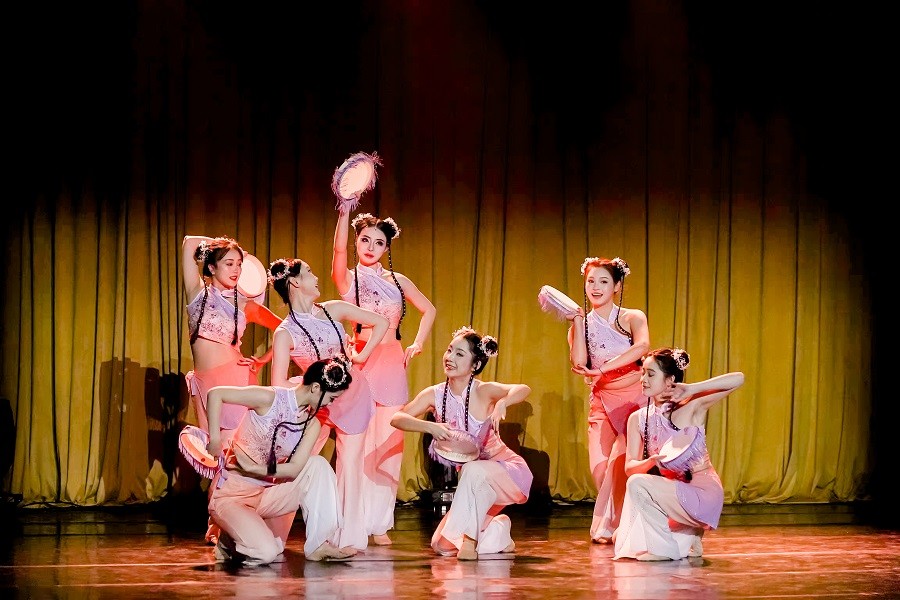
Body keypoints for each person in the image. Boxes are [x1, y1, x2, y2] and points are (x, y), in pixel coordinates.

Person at [267, 257, 390, 549]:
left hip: (353, 394)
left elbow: (382, 322)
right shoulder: (285, 332)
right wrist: (307, 386)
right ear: (295, 282)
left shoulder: (332, 309)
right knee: (298, 463)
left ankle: (347, 539)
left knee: (350, 467)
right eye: (309, 272)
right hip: (318, 403)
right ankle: (272, 534)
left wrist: (360, 356)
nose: (316, 277)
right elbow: (277, 383)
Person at [331, 210, 437, 547]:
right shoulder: (348, 279)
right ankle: (350, 519)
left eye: (379, 242)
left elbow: (429, 309)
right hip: (359, 360)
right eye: (365, 240)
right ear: (356, 242)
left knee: (387, 443)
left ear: (387, 247)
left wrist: (418, 343)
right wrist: (344, 210)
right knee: (354, 444)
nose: (370, 247)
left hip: (391, 360)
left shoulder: (397, 280)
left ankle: (378, 522)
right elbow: (337, 251)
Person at [391, 327, 533, 560]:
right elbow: (397, 418)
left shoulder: (483, 391)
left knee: (472, 469)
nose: (450, 357)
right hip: (476, 486)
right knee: (442, 546)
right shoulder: (434, 394)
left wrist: (502, 403)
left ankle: (470, 542)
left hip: (508, 474)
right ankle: (500, 531)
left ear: (475, 365)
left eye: (459, 354)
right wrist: (430, 427)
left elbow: (523, 389)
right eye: (449, 350)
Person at [205, 358, 358, 566]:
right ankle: (229, 539)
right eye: (331, 398)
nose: (331, 404)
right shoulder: (270, 398)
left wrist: (255, 468)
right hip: (231, 495)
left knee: (318, 466)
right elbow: (216, 394)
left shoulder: (311, 424)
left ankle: (318, 545)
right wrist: (215, 439)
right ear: (315, 388)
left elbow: (294, 469)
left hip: (266, 494)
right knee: (267, 553)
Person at [181, 235, 283, 544]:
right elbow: (189, 243)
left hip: (235, 381)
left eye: (239, 264)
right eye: (229, 263)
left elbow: (285, 329)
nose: (236, 269)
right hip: (205, 383)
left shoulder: (245, 305)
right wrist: (222, 244)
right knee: (217, 457)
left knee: (230, 455)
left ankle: (221, 523)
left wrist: (263, 359)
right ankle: (222, 520)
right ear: (211, 267)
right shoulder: (198, 294)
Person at [613, 347, 745, 561]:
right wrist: (651, 462)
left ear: (670, 380)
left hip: (703, 494)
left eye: (651, 374)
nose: (643, 379)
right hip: (674, 495)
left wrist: (692, 388)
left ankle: (663, 550)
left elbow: (738, 378)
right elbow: (630, 468)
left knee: (637, 484)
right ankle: (690, 536)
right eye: (643, 373)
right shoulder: (637, 419)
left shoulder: (692, 406)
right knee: (620, 536)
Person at [567, 256, 650, 544]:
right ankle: (619, 523)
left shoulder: (632, 317)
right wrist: (577, 321)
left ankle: (627, 526)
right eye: (591, 281)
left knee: (625, 464)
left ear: (617, 286)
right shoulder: (581, 325)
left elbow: (642, 346)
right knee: (600, 470)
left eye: (603, 281)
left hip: (635, 400)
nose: (596, 287)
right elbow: (579, 363)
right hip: (602, 400)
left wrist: (604, 368)